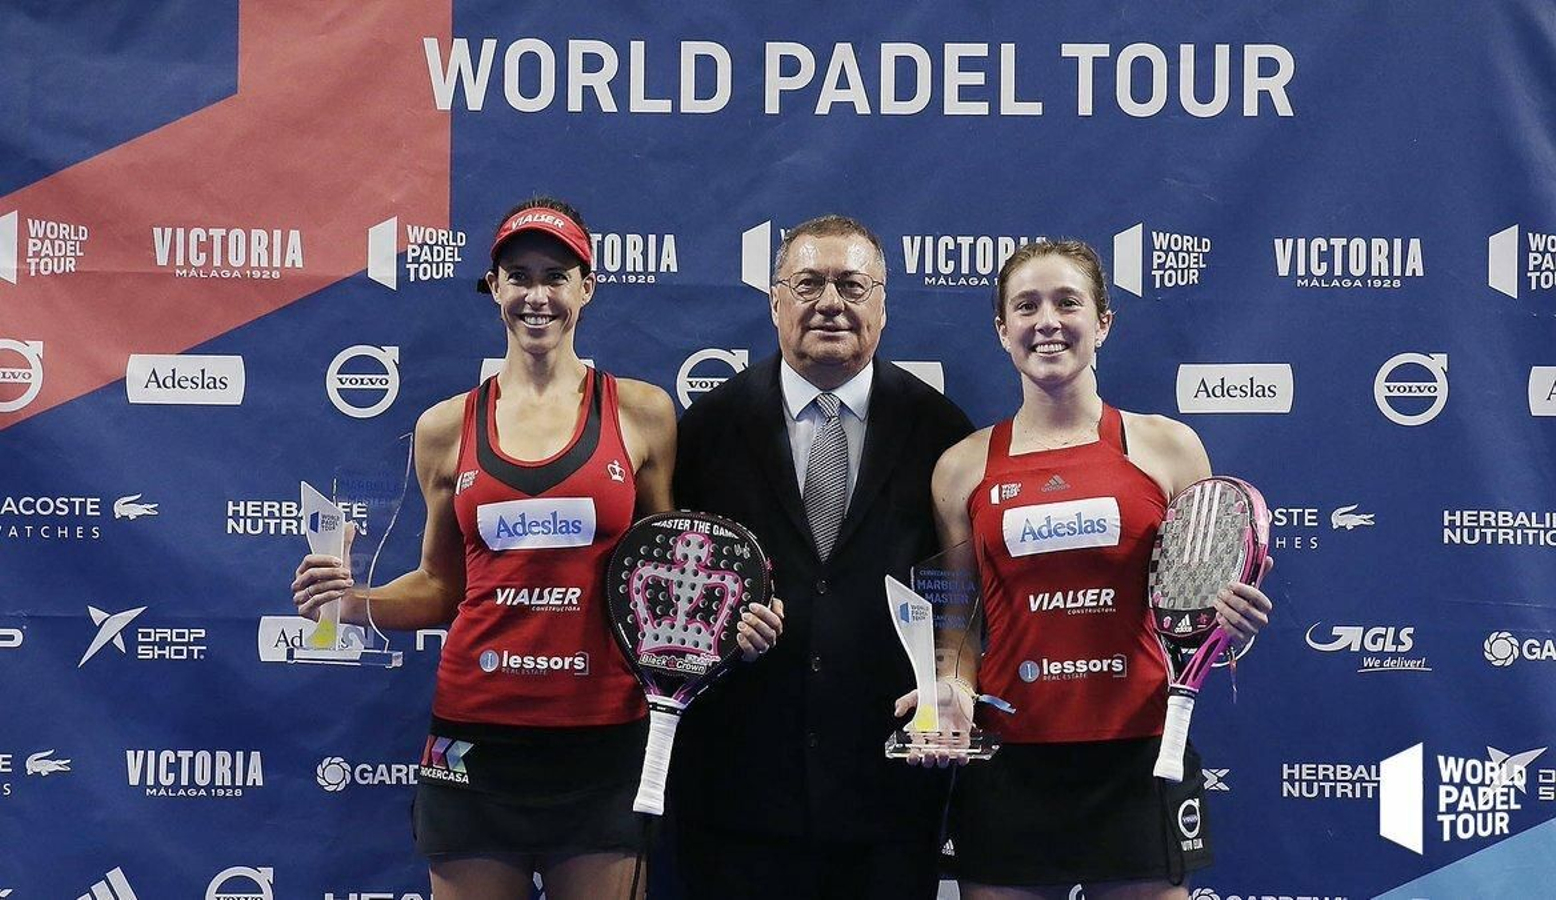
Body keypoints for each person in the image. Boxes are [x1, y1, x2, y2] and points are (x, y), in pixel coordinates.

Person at [289, 197, 783, 900]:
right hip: (473, 742)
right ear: (493, 288)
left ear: (587, 287)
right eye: (518, 275)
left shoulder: (641, 413)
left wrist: (738, 621)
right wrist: (352, 602)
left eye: (556, 275)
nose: (537, 295)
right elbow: (439, 586)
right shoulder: (445, 427)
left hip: (605, 737)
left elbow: (674, 573)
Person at [902, 239, 1273, 900]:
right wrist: (948, 694)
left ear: (1102, 322)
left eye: (1067, 303)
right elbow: (956, 629)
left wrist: (1231, 634)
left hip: (1139, 754)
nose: (1047, 321)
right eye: (1026, 306)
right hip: (1011, 763)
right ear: (1002, 330)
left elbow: (1198, 608)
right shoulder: (961, 468)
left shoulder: (1169, 447)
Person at [668, 214, 975, 899]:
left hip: (889, 795)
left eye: (852, 284)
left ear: (883, 305)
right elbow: (669, 594)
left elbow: (964, 600)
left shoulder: (941, 433)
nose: (830, 302)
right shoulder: (708, 430)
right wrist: (719, 633)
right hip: (736, 792)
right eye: (808, 283)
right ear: (776, 301)